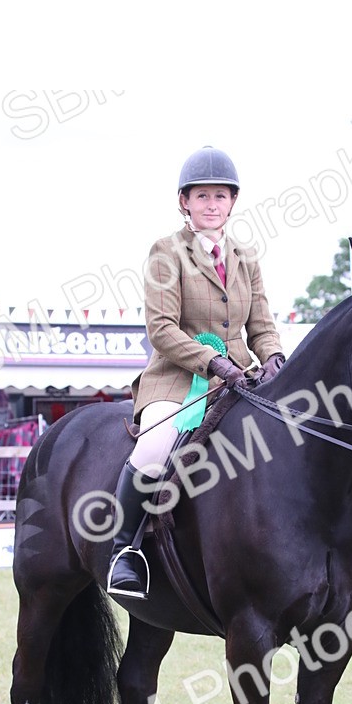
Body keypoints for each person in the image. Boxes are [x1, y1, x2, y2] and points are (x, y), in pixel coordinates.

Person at [107, 145, 286, 599]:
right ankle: (124, 552)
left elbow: (261, 325)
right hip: (178, 379)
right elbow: (161, 329)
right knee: (153, 447)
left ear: (232, 202)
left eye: (220, 196)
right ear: (184, 202)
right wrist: (214, 363)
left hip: (242, 379)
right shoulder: (167, 253)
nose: (211, 204)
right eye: (202, 196)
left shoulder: (246, 258)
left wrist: (274, 359)